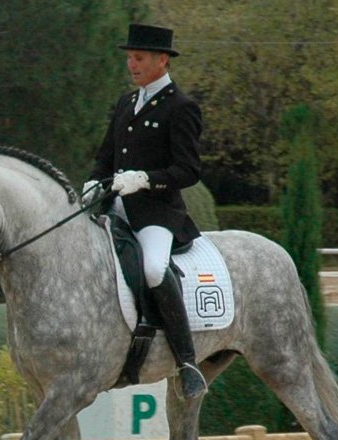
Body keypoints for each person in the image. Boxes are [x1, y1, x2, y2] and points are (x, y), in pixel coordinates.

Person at [83, 23, 207, 400]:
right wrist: (93, 182)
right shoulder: (126, 103)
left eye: (138, 58)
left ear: (162, 60)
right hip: (117, 207)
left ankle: (187, 363)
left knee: (154, 268)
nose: (131, 65)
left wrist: (146, 179)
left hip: (157, 213)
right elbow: (106, 157)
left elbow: (189, 170)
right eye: (129, 58)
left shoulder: (181, 108)